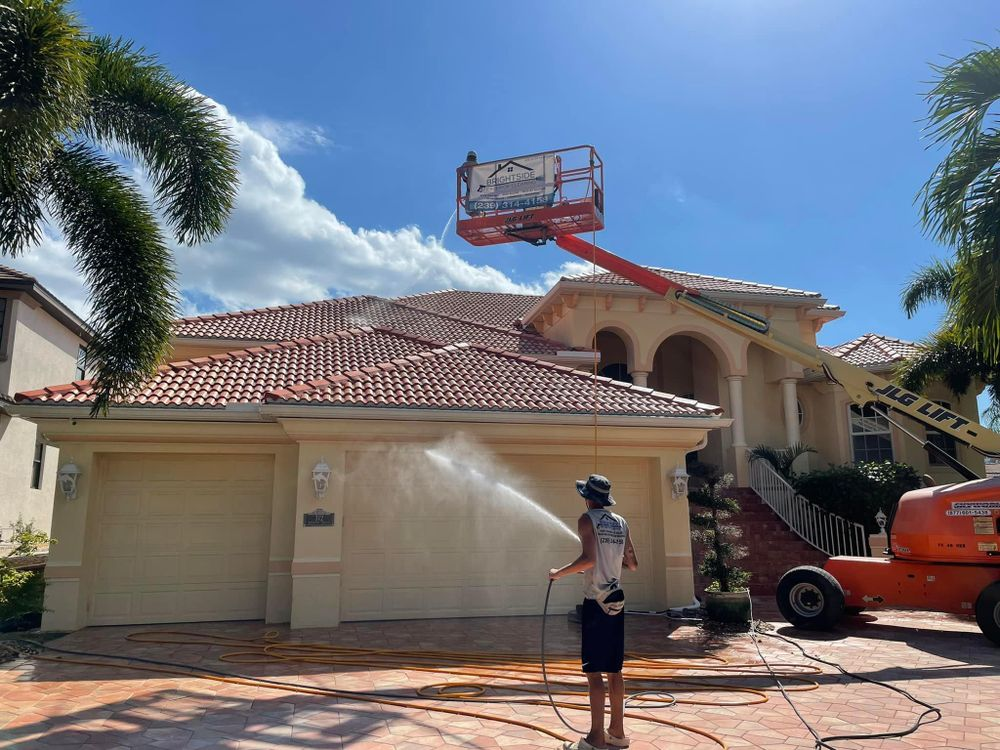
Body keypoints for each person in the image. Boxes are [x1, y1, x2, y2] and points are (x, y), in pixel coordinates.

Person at [549, 474, 639, 750]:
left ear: (589, 498)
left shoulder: (587, 520)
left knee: (593, 673)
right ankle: (618, 733)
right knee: (615, 670)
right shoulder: (621, 522)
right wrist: (612, 565)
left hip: (596, 603)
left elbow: (588, 559)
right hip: (617, 602)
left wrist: (558, 574)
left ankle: (596, 737)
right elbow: (633, 564)